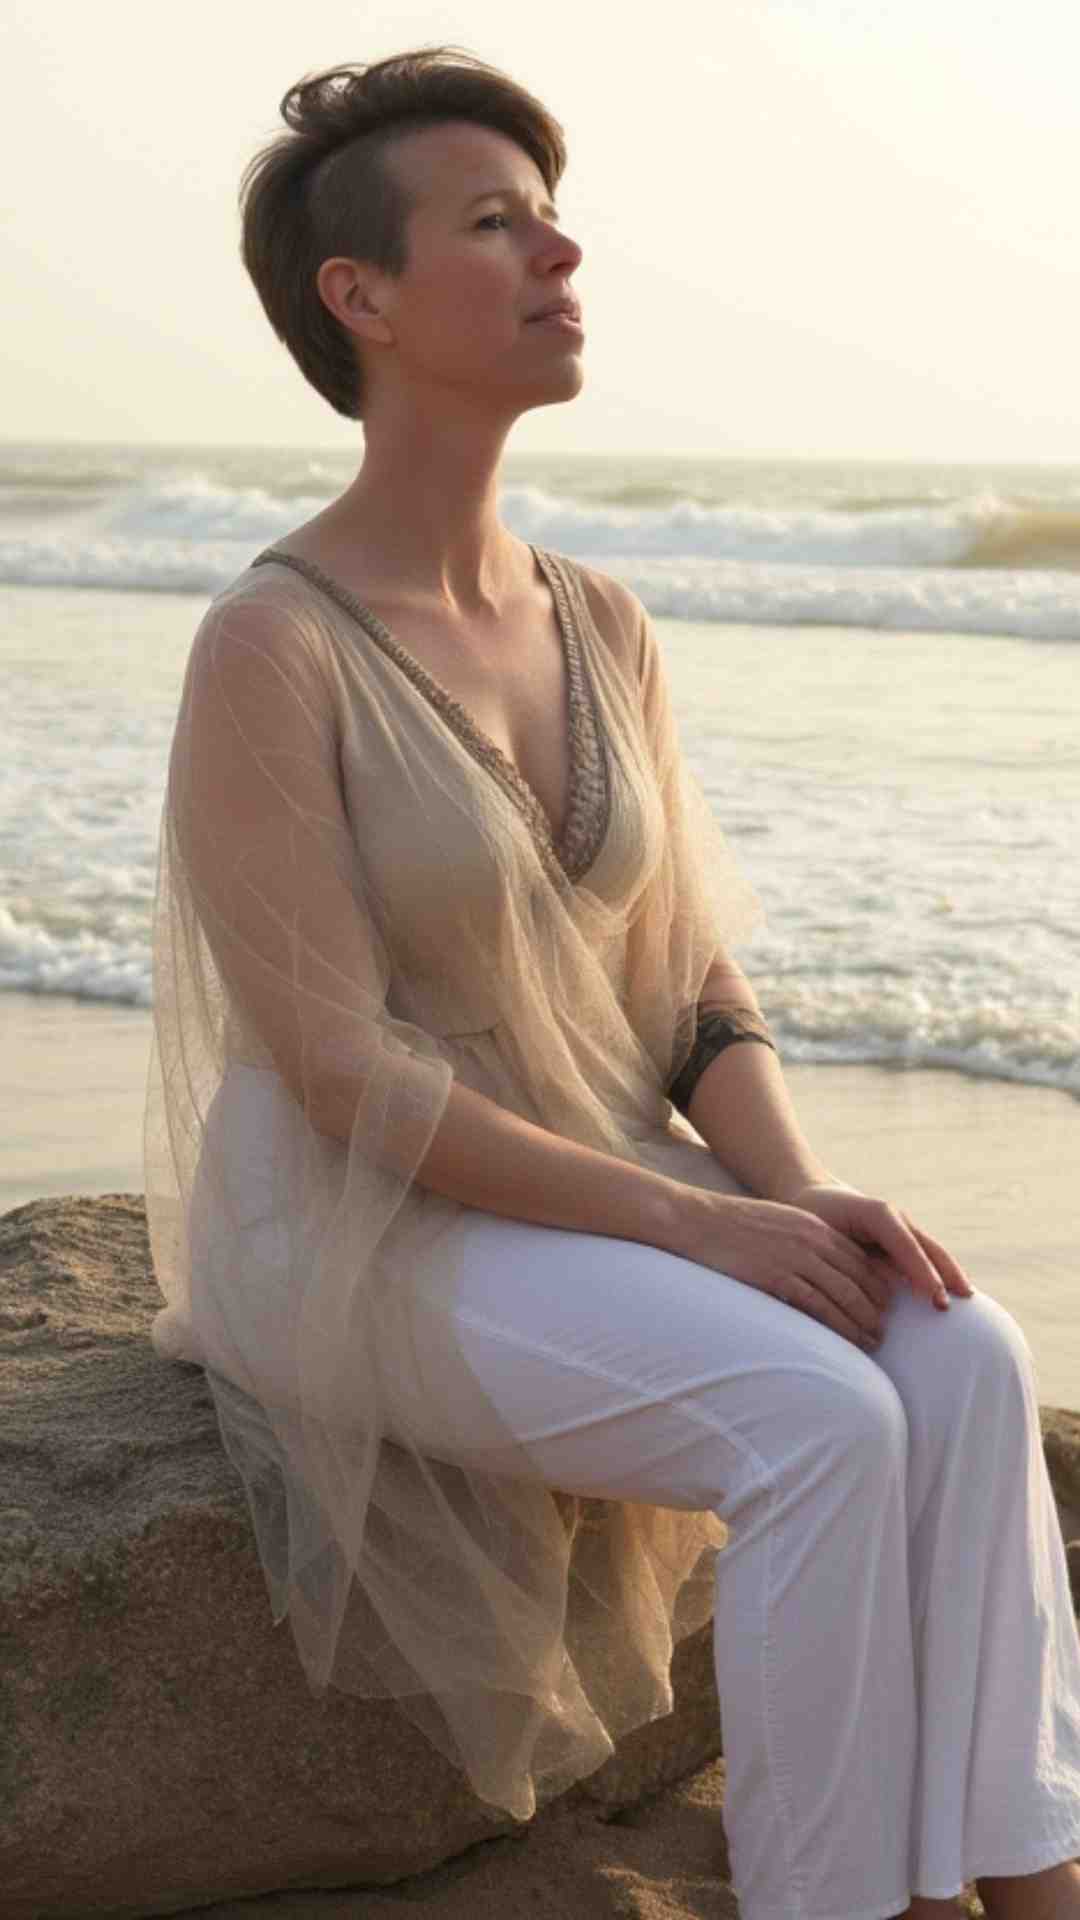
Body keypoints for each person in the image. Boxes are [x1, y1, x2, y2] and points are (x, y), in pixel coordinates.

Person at [143, 46, 1080, 1920]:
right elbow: (334, 1067)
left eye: (557, 219)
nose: (562, 256)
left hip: (575, 1176)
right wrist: (692, 1226)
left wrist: (796, 1192)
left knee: (962, 1350)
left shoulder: (601, 618)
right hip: (354, 1222)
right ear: (366, 300)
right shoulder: (274, 641)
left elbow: (686, 983)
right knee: (817, 1416)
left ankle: (1033, 1886)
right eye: (496, 226)